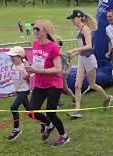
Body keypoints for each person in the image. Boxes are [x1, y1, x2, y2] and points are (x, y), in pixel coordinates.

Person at [26, 19, 70, 147]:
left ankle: (64, 136)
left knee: (51, 112)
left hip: (54, 84)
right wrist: (30, 68)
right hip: (40, 83)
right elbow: (37, 62)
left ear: (46, 31)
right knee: (31, 111)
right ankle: (48, 125)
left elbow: (57, 69)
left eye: (37, 29)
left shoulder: (53, 47)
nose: (35, 31)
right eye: (34, 28)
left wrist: (38, 70)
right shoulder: (35, 44)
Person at [66, 10, 112, 118]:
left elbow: (89, 46)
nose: (72, 20)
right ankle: (77, 110)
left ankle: (107, 98)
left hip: (89, 60)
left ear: (80, 18)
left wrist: (73, 49)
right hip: (82, 59)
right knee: (77, 85)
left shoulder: (85, 29)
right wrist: (75, 54)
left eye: (74, 18)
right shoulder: (80, 30)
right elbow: (83, 49)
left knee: (92, 85)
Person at [6, 46, 30, 141]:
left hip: (24, 90)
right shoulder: (12, 65)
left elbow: (30, 78)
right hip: (18, 90)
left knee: (13, 107)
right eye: (10, 56)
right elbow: (13, 78)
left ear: (20, 56)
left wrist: (27, 76)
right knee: (30, 112)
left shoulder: (25, 65)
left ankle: (16, 130)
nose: (11, 58)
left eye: (13, 56)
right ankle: (46, 123)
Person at [56, 39, 75, 108]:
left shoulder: (62, 55)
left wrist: (67, 71)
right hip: (56, 74)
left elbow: (70, 62)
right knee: (56, 87)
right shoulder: (55, 54)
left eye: (55, 43)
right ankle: (59, 103)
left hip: (61, 74)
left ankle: (74, 98)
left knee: (65, 88)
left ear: (59, 46)